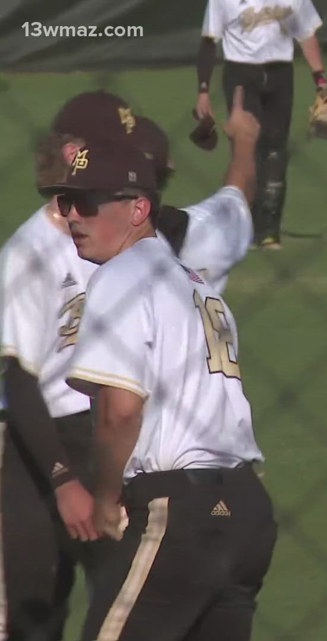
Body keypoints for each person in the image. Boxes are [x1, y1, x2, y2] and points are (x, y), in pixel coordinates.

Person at [42, 132, 275, 641]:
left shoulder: (120, 277)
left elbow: (119, 412)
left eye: (86, 202)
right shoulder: (194, 282)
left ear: (138, 208)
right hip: (246, 513)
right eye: (66, 202)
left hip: (179, 513)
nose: (72, 217)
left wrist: (105, 499)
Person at [0, 90, 137, 641]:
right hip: (42, 448)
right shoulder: (25, 255)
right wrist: (63, 481)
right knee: (36, 616)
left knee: (128, 607)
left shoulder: (123, 235)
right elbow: (16, 377)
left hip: (112, 436)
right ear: (77, 153)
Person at [196, 0, 327, 249]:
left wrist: (320, 81)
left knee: (276, 150)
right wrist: (203, 90)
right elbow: (208, 41)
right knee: (246, 150)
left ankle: (269, 230)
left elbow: (307, 36)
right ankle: (243, 226)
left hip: (281, 75)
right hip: (241, 75)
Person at [132, 114, 256, 293]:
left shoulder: (84, 242)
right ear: (168, 169)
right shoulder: (208, 234)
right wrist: (244, 138)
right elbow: (239, 192)